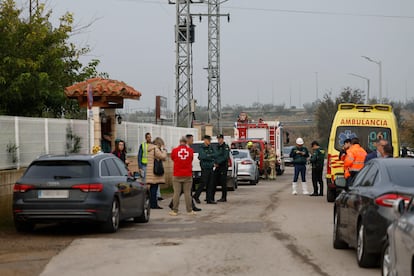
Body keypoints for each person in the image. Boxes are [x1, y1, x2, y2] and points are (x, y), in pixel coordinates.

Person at [169, 134, 202, 212]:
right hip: (187, 174)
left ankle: (175, 209)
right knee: (187, 193)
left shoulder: (174, 150)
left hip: (177, 174)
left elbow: (173, 158)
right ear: (186, 141)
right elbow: (190, 159)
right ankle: (189, 210)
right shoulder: (190, 150)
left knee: (176, 193)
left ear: (180, 142)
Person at [193, 135, 216, 204]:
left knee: (210, 183)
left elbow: (214, 154)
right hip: (205, 167)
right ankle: (196, 195)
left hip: (210, 167)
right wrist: (210, 156)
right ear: (205, 140)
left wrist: (209, 156)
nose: (209, 142)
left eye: (210, 140)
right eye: (208, 140)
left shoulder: (210, 147)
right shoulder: (202, 147)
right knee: (203, 182)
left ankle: (209, 199)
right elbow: (202, 156)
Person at [146, 137, 167, 209]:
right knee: (154, 188)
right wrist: (164, 150)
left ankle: (151, 203)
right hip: (154, 172)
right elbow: (163, 156)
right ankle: (154, 204)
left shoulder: (149, 148)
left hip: (149, 170)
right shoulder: (155, 149)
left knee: (152, 188)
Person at [215, 134, 230, 202]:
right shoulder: (217, 146)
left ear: (222, 139)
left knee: (223, 182)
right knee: (214, 181)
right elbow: (215, 155)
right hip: (218, 166)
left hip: (223, 166)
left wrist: (218, 162)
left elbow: (225, 157)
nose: (219, 140)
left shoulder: (225, 147)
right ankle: (210, 196)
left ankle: (224, 197)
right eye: (218, 139)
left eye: (220, 139)